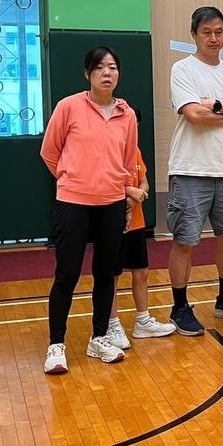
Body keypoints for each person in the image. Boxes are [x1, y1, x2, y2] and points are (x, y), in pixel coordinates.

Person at [40, 47, 140, 374]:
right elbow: (50, 152)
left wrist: (124, 196)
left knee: (106, 275)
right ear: (88, 73)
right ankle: (56, 344)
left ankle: (99, 338)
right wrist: (71, 178)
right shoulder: (68, 106)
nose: (106, 73)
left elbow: (129, 162)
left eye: (112, 67)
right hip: (73, 203)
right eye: (99, 68)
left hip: (112, 203)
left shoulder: (127, 115)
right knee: (67, 274)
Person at [167, 6, 223, 337]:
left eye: (218, 32)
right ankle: (179, 307)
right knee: (185, 240)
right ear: (193, 34)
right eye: (206, 32)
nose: (213, 38)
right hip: (190, 169)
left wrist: (217, 105)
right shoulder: (183, 69)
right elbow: (194, 115)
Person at [105, 104, 175, 344]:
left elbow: (144, 182)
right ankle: (111, 324)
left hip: (136, 223)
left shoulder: (135, 151)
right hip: (114, 224)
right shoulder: (109, 150)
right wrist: (128, 192)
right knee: (112, 275)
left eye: (135, 127)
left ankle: (143, 321)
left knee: (141, 272)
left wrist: (138, 195)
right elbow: (104, 182)